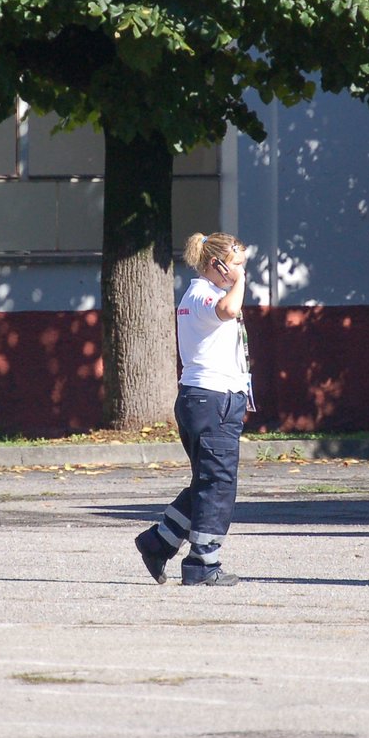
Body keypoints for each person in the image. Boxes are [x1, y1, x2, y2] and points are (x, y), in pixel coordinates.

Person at [135, 232, 253, 587]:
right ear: (215, 265)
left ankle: (159, 542)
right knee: (218, 483)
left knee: (207, 481)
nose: (240, 272)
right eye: (235, 266)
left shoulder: (201, 294)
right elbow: (230, 310)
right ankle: (203, 563)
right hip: (211, 400)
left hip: (208, 399)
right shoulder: (204, 294)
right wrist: (240, 282)